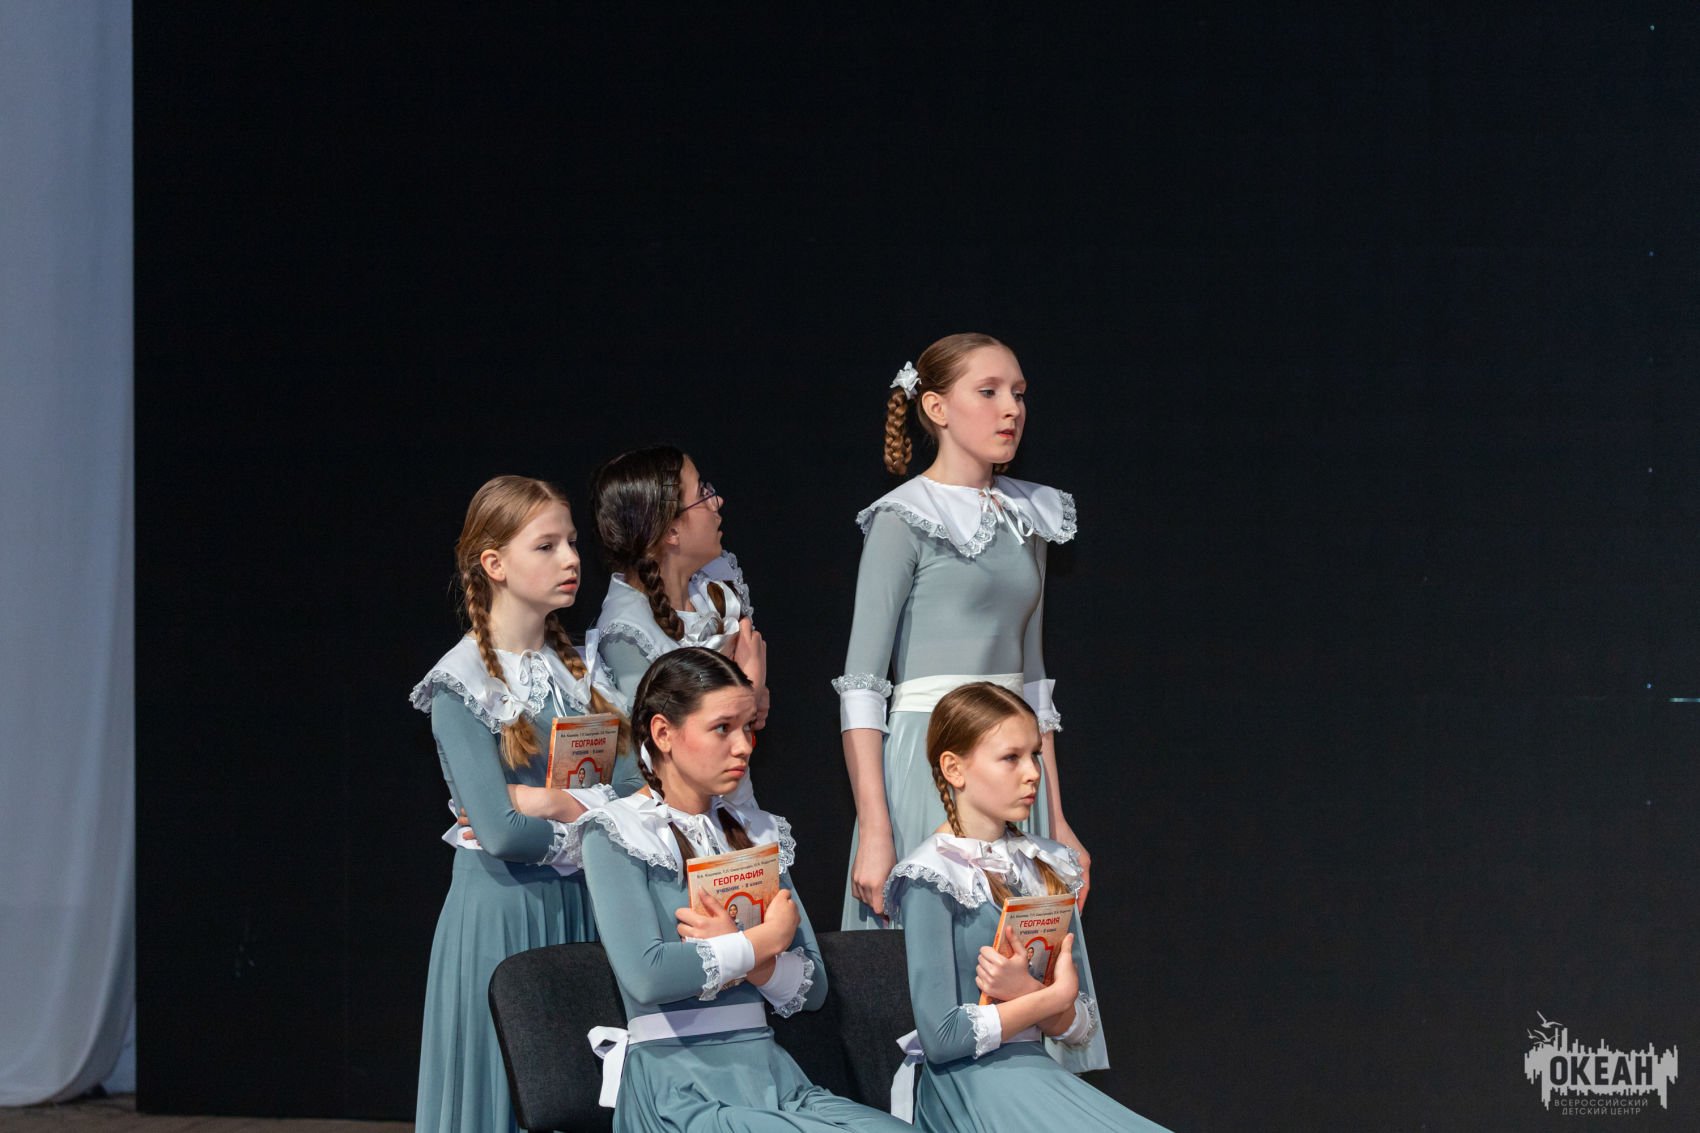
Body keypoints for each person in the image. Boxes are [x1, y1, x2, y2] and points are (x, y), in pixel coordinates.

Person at [566, 647, 907, 1133]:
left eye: (747, 728)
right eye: (722, 728)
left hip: (769, 1076)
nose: (744, 746)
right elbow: (649, 976)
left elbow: (813, 989)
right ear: (663, 733)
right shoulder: (616, 831)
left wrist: (746, 955)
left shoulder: (755, 831)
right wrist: (763, 941)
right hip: (678, 1084)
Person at [838, 333, 1088, 930]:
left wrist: (1056, 819)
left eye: (1019, 394)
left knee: (1020, 954)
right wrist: (875, 826)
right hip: (933, 759)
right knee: (937, 948)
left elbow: (1033, 682)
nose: (1012, 409)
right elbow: (862, 686)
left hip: (1013, 763)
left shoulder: (1030, 516)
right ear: (937, 407)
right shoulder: (903, 518)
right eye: (989, 391)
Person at [410, 475, 628, 1133]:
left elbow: (633, 797)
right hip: (502, 915)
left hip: (583, 908)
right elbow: (502, 834)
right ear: (494, 564)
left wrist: (553, 802)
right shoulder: (461, 684)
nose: (570, 558)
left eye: (572, 542)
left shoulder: (582, 674)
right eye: (546, 545)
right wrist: (587, 815)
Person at [886, 683, 1170, 1132]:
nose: (1033, 772)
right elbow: (942, 1038)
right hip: (968, 1085)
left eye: (1034, 755)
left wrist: (1035, 995)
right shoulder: (931, 875)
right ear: (954, 768)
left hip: (1033, 1074)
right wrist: (1046, 997)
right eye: (1010, 758)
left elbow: (1080, 1025)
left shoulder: (1048, 865)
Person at [591, 445, 770, 798]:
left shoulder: (712, 587)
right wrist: (748, 691)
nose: (716, 502)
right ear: (671, 531)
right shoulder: (626, 633)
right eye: (702, 494)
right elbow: (659, 761)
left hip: (733, 800)